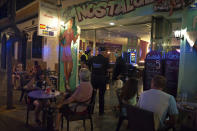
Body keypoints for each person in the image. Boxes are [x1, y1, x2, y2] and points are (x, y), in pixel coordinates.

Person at [89, 47, 110, 115]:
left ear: (98, 51)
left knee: (92, 95)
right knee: (101, 96)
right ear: (103, 52)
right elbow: (107, 69)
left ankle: (91, 110)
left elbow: (88, 66)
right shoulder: (106, 60)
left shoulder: (93, 58)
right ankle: (101, 112)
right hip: (102, 79)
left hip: (94, 79)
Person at [60, 18, 79, 90]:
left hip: (67, 48)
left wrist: (76, 36)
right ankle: (67, 82)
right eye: (69, 23)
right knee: (67, 65)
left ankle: (67, 81)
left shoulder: (71, 31)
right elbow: (61, 39)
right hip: (67, 48)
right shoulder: (66, 31)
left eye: (71, 23)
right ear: (67, 23)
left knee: (69, 66)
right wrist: (77, 36)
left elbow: (73, 41)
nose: (70, 24)